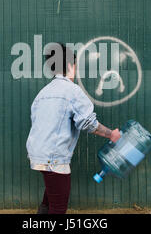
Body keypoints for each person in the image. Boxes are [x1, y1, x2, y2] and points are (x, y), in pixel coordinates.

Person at [26, 43, 121, 214]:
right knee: (58, 208)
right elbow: (88, 124)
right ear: (71, 65)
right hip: (54, 158)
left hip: (38, 154)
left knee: (49, 198)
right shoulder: (72, 91)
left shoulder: (43, 93)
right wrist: (111, 134)